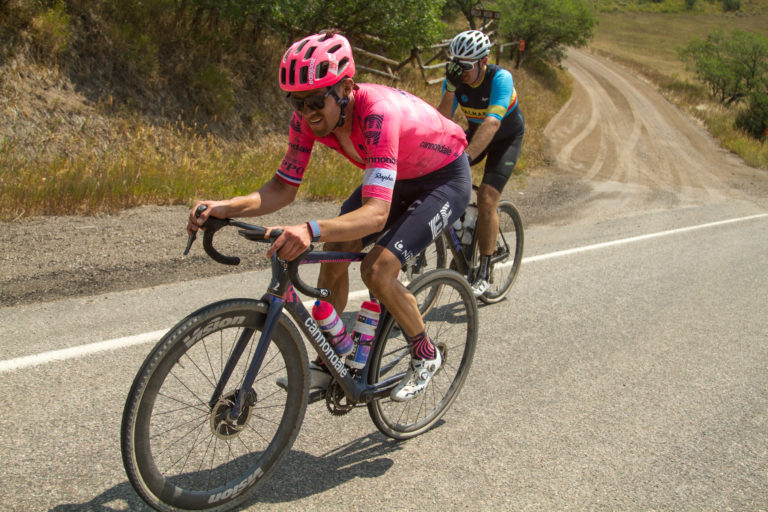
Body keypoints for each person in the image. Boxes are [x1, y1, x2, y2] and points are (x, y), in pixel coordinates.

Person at [187, 32, 471, 401]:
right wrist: (224, 207)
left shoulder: (376, 113)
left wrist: (309, 229)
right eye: (296, 103)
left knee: (377, 269)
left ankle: (424, 353)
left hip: (444, 177)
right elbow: (282, 188)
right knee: (337, 247)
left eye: (315, 101)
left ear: (346, 89)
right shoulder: (307, 120)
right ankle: (331, 360)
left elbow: (375, 215)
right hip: (401, 174)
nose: (306, 114)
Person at [437, 29, 525, 297]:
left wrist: (465, 158)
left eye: (465, 66)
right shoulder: (454, 81)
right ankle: (465, 230)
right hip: (476, 133)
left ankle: (484, 268)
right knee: (439, 175)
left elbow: (493, 122)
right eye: (455, 64)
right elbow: (441, 121)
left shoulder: (500, 78)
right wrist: (450, 90)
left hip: (504, 137)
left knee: (487, 198)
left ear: (483, 61)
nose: (459, 70)